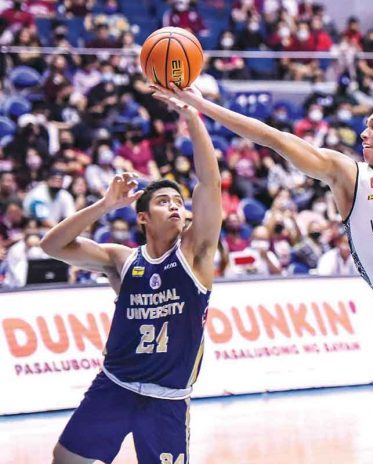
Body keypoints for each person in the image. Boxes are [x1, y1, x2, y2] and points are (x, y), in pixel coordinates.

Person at [155, 83, 373, 464]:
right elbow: (272, 137)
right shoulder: (348, 175)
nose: (364, 132)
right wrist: (199, 106)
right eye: (364, 125)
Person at [41, 88, 222, 464]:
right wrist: (105, 205)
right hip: (115, 385)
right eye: (162, 201)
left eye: (178, 202)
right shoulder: (122, 260)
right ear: (142, 218)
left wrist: (192, 118)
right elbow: (52, 246)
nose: (174, 205)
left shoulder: (196, 254)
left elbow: (209, 184)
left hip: (166, 399)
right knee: (65, 459)